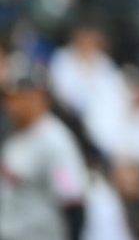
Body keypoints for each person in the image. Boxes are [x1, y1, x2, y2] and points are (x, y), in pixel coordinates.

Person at [0, 55, 89, 240]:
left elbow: (73, 204)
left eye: (16, 97)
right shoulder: (14, 135)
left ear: (36, 96)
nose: (9, 104)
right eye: (7, 97)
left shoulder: (55, 142)